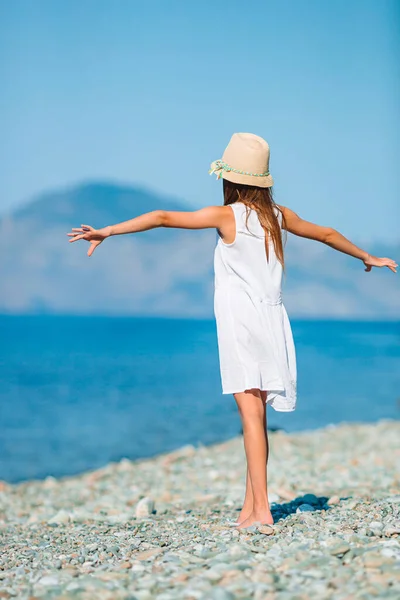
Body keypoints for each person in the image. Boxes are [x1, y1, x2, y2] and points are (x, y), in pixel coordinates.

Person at [67, 132, 397, 530]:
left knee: (250, 416)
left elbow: (162, 217)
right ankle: (250, 505)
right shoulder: (280, 217)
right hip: (274, 320)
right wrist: (366, 255)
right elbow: (326, 233)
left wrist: (108, 230)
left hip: (241, 322)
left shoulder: (228, 216)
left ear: (230, 179)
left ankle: (262, 512)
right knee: (255, 414)